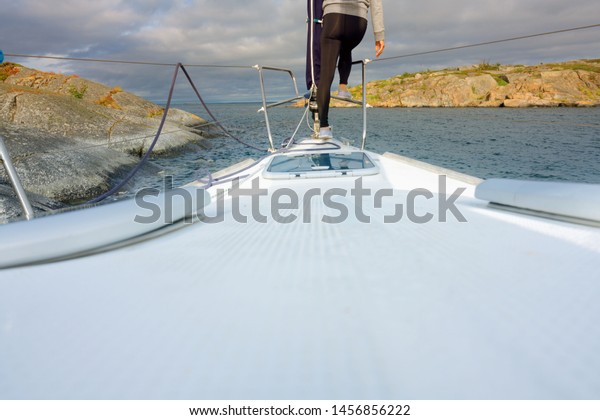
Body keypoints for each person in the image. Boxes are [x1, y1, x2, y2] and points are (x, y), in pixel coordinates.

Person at [317, 0, 385, 139]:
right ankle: (343, 88)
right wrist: (379, 35)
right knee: (346, 46)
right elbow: (376, 4)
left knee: (326, 75)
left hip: (333, 16)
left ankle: (324, 127)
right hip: (358, 21)